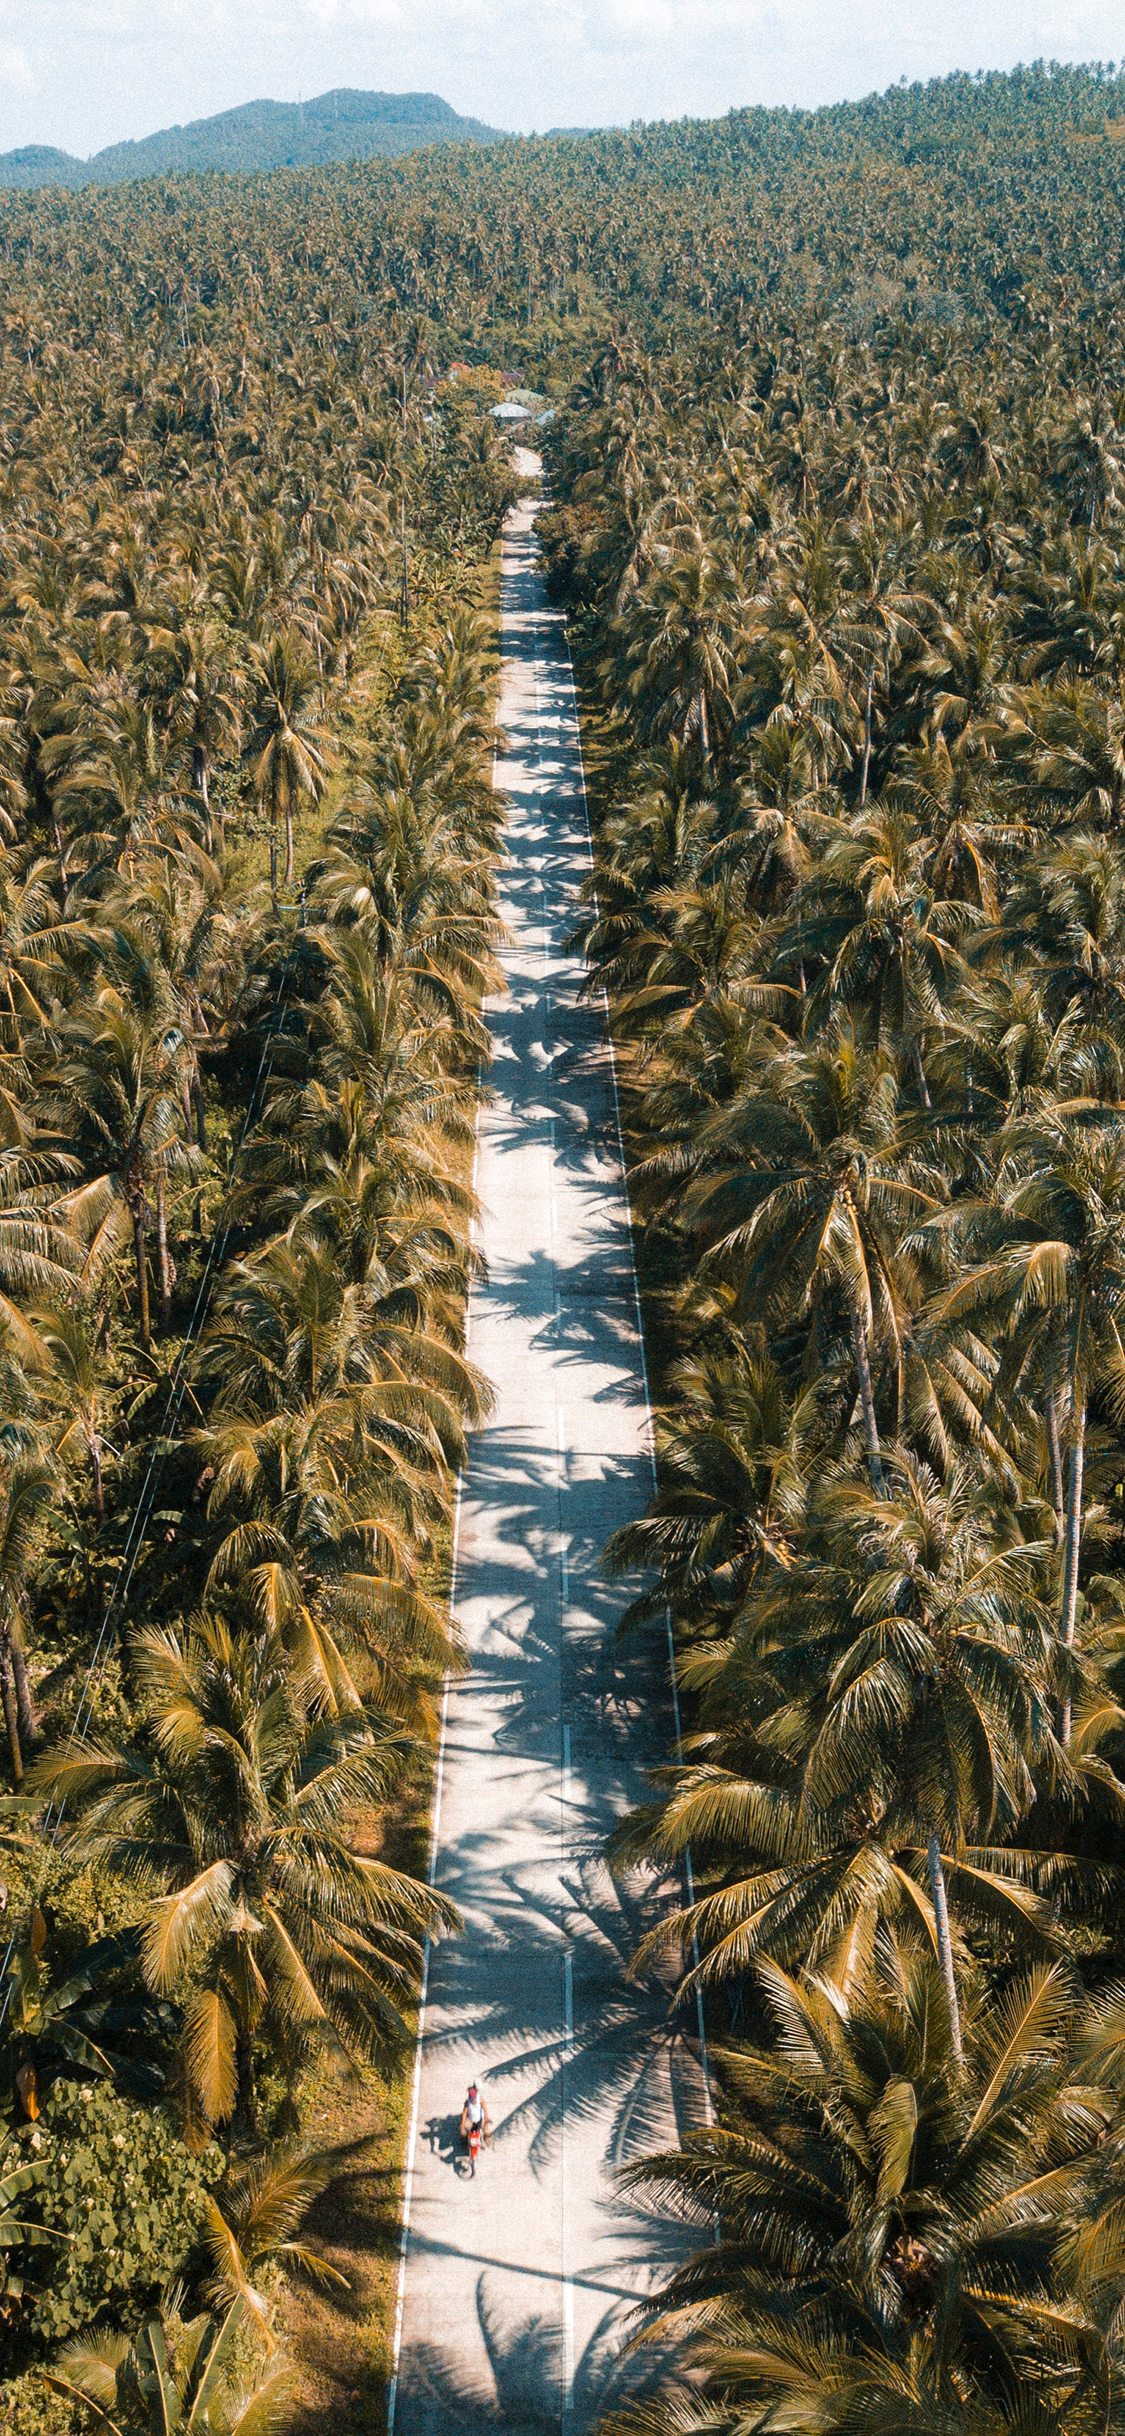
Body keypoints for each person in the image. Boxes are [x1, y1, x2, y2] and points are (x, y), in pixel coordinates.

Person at [460, 2082, 490, 2147]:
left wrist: (486, 2119)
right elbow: (464, 2113)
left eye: (474, 2099)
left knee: (486, 2131)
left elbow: (485, 2110)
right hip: (471, 2120)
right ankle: (464, 2141)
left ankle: (486, 2138)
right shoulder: (467, 2102)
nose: (473, 2101)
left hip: (480, 2119)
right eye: (471, 2099)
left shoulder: (480, 2100)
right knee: (463, 2131)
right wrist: (462, 2124)